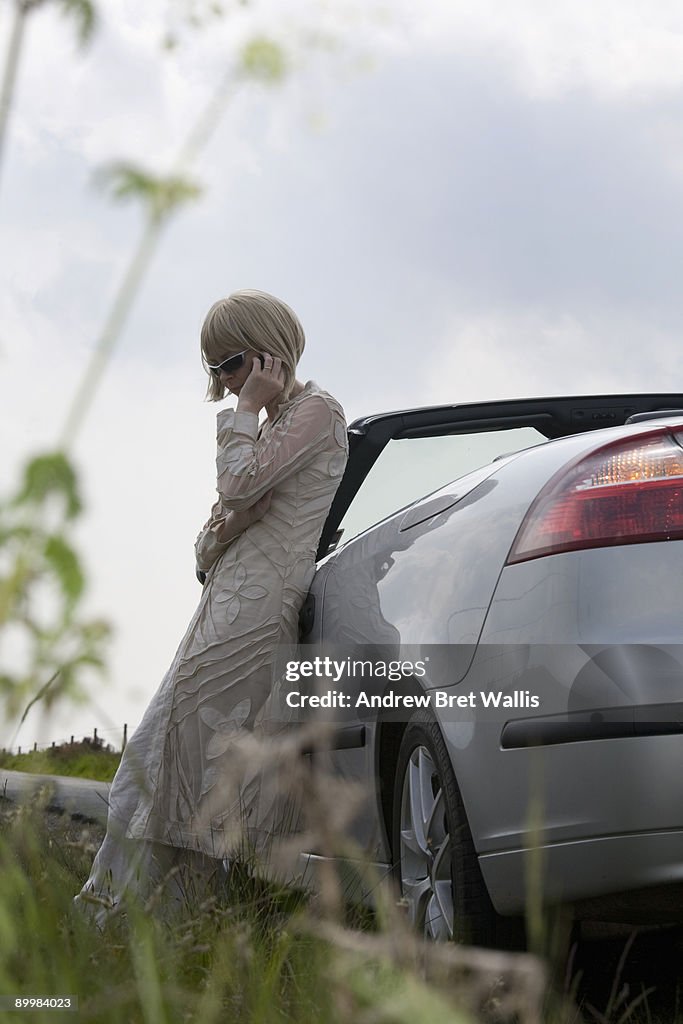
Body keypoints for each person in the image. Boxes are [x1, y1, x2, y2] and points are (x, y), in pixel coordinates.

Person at [75, 289, 348, 926]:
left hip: (252, 621)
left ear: (267, 349)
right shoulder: (268, 428)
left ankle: (160, 933)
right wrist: (230, 524)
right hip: (221, 610)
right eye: (215, 369)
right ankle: (114, 922)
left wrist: (246, 413)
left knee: (193, 779)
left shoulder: (317, 411)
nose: (224, 382)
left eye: (231, 363)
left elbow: (237, 486)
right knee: (149, 764)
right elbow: (205, 548)